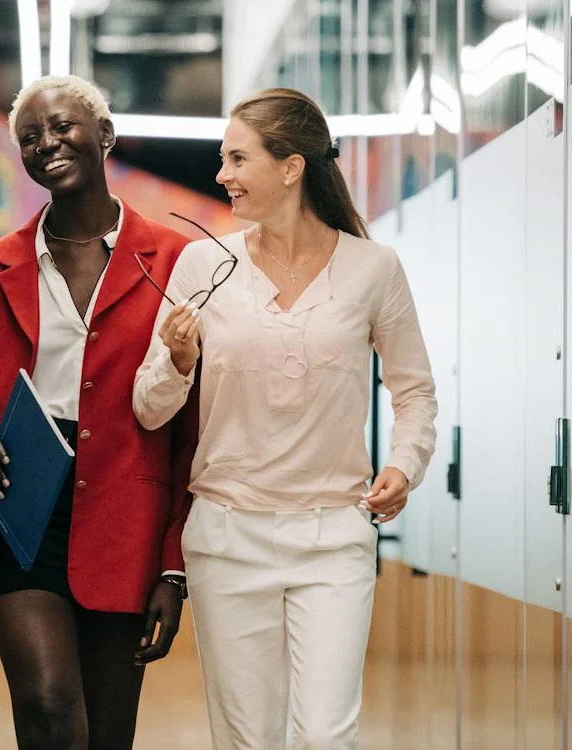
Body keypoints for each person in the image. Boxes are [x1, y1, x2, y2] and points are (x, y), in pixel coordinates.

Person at [133, 88, 437, 749]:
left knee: (327, 736)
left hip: (333, 538)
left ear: (290, 167)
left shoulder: (372, 269)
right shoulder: (202, 264)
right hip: (225, 537)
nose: (221, 175)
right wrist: (176, 360)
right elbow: (149, 408)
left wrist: (402, 465)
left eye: (237, 158)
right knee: (247, 738)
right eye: (222, 159)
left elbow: (414, 392)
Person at [0, 75, 197, 750]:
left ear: (104, 136)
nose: (45, 143)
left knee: (107, 736)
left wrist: (174, 567)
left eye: (61, 127)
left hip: (126, 521)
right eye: (29, 136)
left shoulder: (177, 263)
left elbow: (193, 433)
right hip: (21, 515)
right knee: (49, 710)